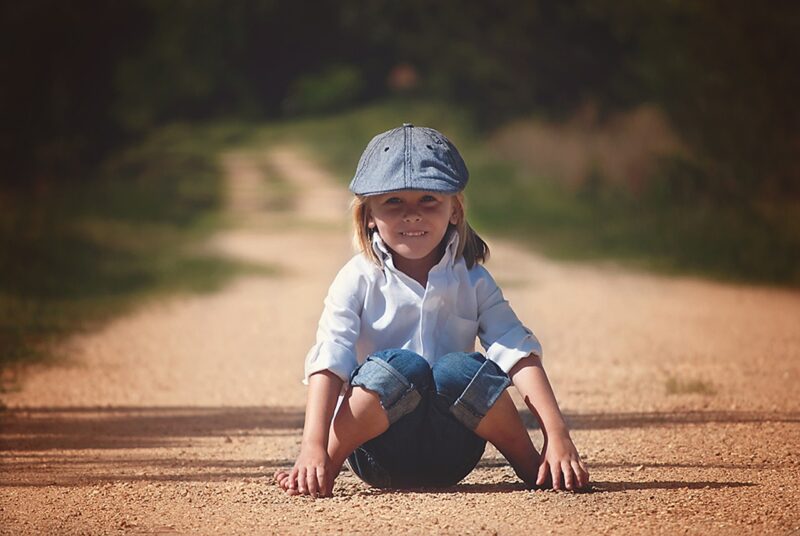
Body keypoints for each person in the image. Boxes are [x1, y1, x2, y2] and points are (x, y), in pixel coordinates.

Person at [275, 123, 588, 498]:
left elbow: (516, 351)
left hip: (452, 452)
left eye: (429, 200)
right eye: (393, 202)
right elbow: (331, 358)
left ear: (454, 210)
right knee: (404, 367)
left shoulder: (473, 279)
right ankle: (325, 465)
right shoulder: (356, 278)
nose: (412, 215)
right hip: (378, 453)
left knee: (458, 369)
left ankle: (532, 464)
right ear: (368, 215)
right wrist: (312, 447)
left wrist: (557, 434)